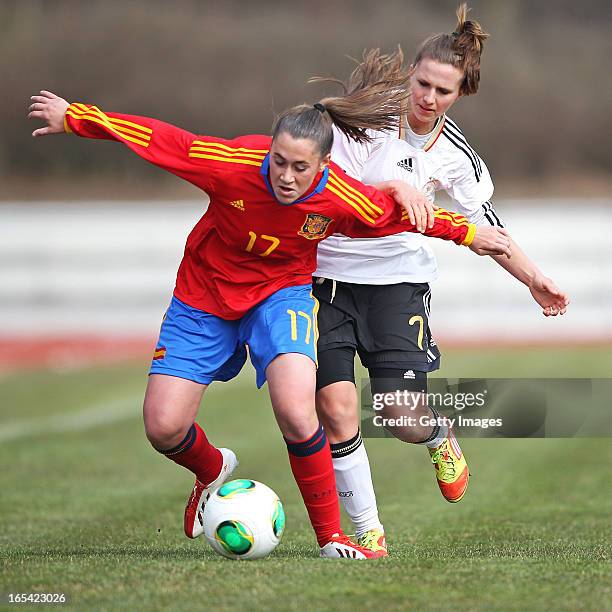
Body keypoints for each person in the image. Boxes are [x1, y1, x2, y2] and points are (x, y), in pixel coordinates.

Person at [28, 78, 511, 559]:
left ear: (324, 166)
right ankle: (212, 468)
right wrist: (75, 118)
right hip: (203, 297)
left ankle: (332, 538)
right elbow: (160, 139)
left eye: (300, 167)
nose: (285, 175)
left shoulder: (338, 195)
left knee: (298, 412)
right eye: (278, 161)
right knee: (163, 427)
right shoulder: (233, 165)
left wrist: (471, 234)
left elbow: (398, 216)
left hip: (282, 297)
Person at [311, 3, 570, 556]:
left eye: (443, 91)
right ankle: (368, 536)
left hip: (398, 285)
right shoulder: (361, 116)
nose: (428, 98)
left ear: (461, 95)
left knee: (399, 418)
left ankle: (437, 435)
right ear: (411, 75)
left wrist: (533, 279)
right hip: (326, 278)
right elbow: (310, 163)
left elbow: (488, 228)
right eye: (422, 83)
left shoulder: (456, 156)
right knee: (335, 409)